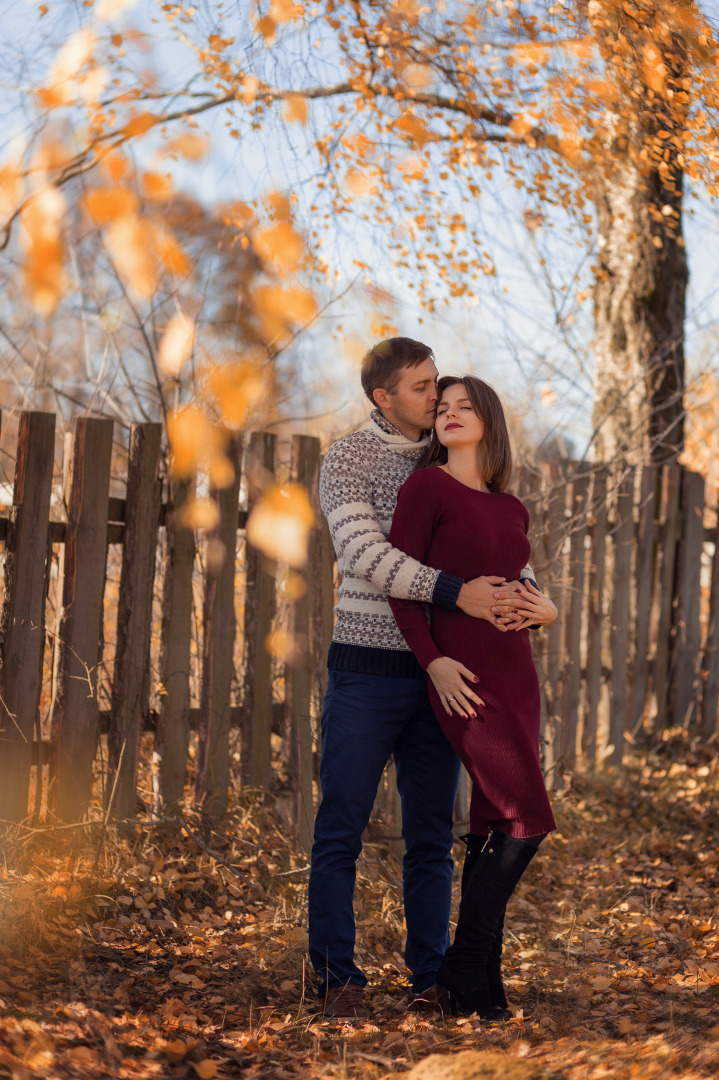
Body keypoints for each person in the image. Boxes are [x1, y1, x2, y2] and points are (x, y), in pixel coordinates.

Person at [308, 338, 538, 1020]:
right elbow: (361, 552)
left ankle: (430, 977)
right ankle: (335, 978)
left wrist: (532, 598)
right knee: (340, 825)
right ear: (382, 397)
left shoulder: (446, 463)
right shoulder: (349, 456)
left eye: (438, 385)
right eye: (420, 387)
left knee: (431, 837)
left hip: (441, 675)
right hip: (366, 669)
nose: (435, 398)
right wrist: (454, 593)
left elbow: (492, 546)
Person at [387, 374, 558, 1019]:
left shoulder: (511, 506)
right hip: (466, 682)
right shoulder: (427, 487)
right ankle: (463, 965)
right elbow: (403, 588)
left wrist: (548, 611)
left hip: (518, 676)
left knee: (495, 824)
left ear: (489, 418)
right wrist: (434, 665)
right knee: (527, 817)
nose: (451, 415)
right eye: (443, 408)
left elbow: (528, 587)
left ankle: (484, 987)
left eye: (465, 406)